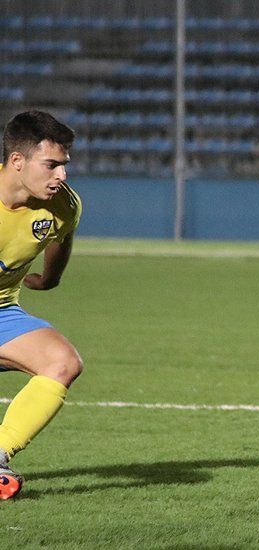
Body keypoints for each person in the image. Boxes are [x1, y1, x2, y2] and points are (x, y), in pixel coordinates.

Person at [0, 111, 83, 500]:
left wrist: (50, 279)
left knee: (62, 362)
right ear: (17, 162)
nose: (61, 175)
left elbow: (60, 238)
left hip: (2, 312)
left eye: (64, 165)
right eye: (51, 165)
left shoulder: (62, 205)